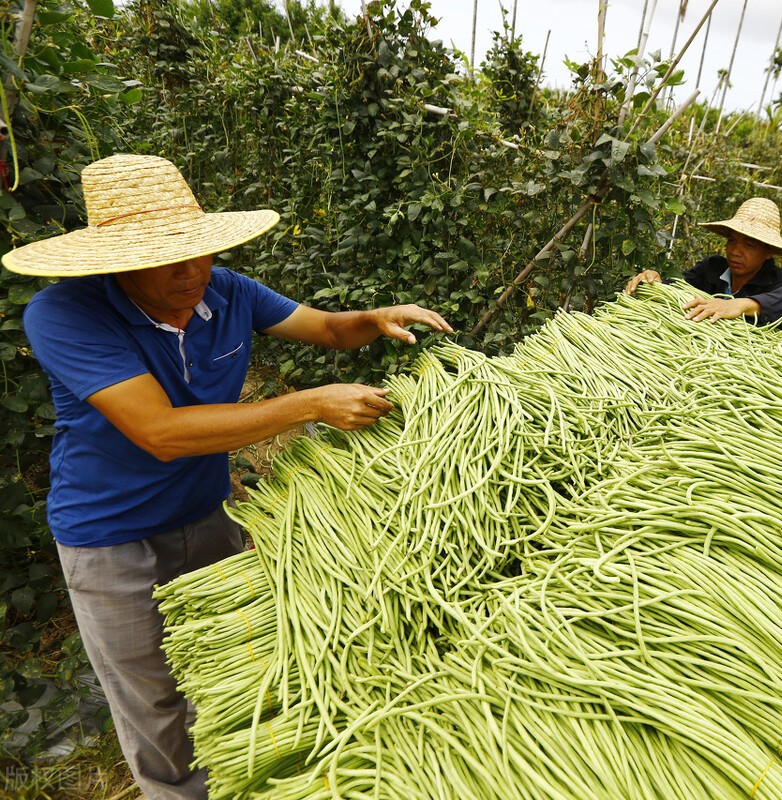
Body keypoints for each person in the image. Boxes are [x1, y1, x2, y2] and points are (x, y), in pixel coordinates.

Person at [2, 154, 453, 800]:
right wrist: (309, 405)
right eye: (169, 260)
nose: (194, 273)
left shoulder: (225, 290)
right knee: (154, 702)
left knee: (231, 666)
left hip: (206, 516)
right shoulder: (65, 315)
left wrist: (375, 318)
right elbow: (159, 433)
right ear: (118, 261)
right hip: (109, 538)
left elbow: (324, 328)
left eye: (200, 253)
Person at [624, 197, 782, 327]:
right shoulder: (712, 269)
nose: (736, 251)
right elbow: (678, 286)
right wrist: (655, 281)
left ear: (768, 251)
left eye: (749, 244)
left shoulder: (775, 282)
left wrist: (741, 305)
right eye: (732, 240)